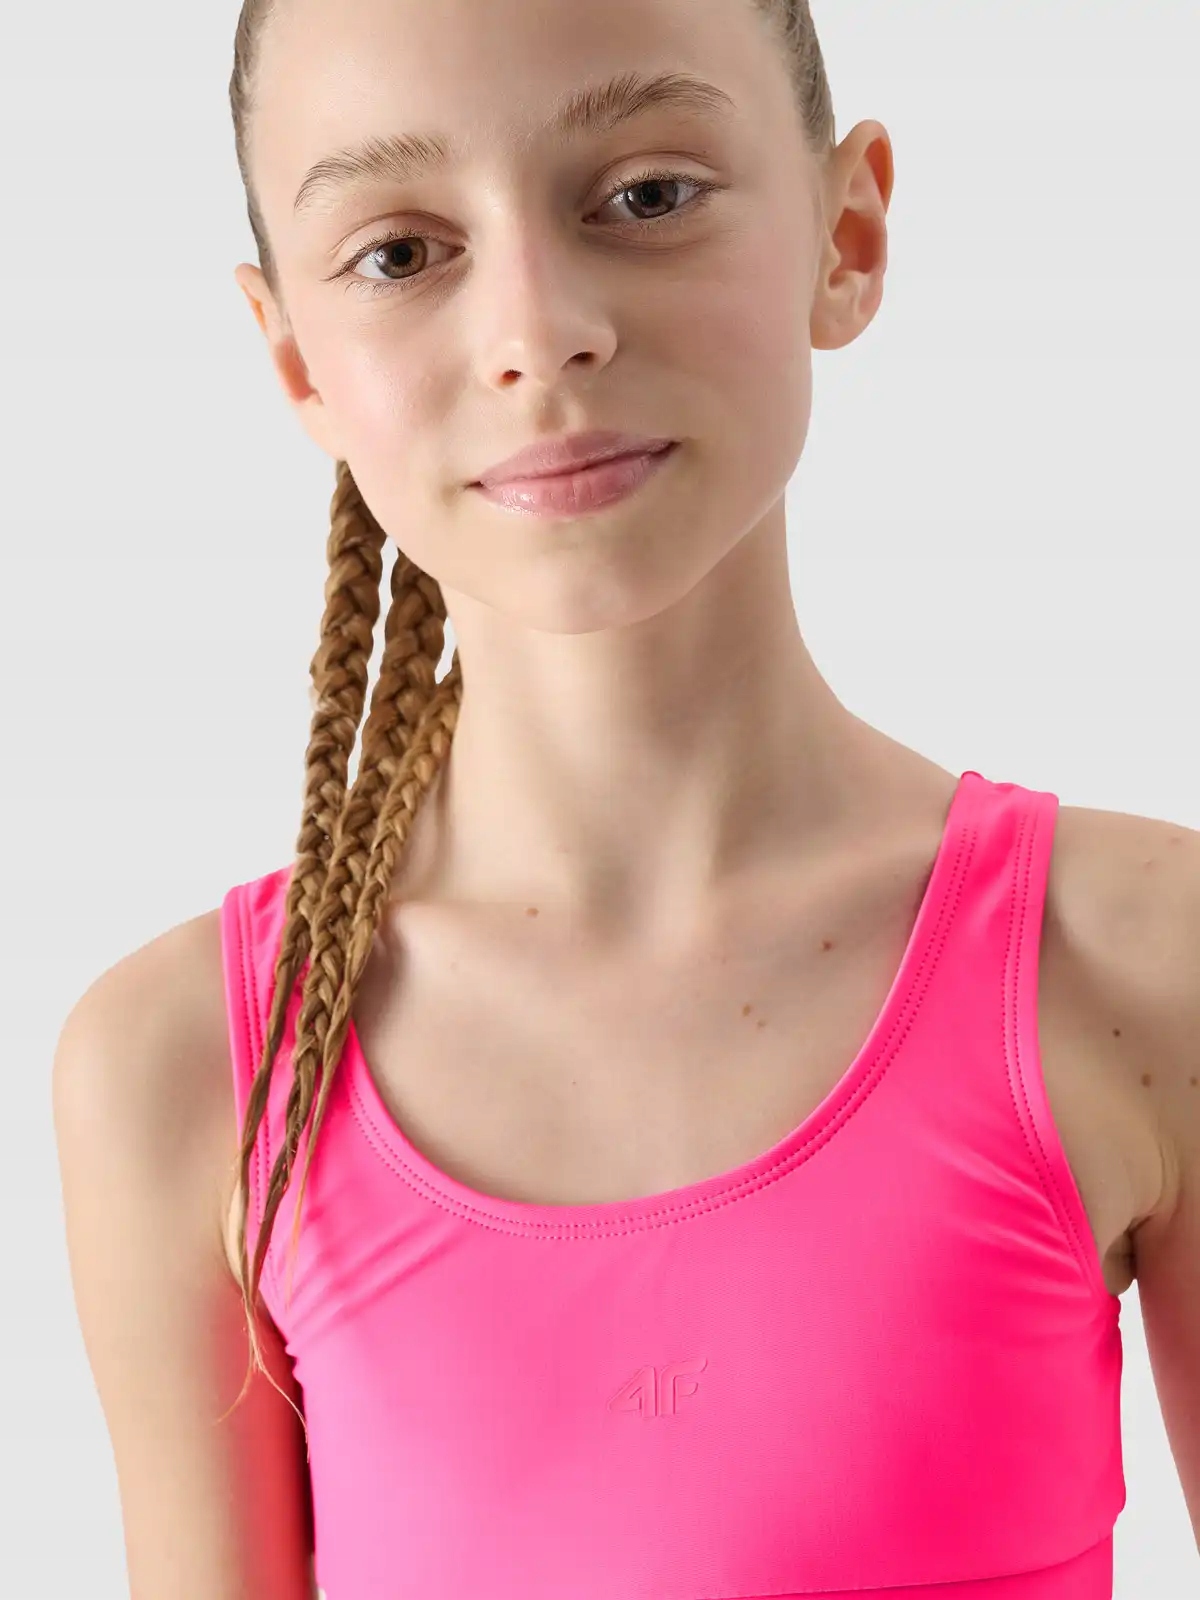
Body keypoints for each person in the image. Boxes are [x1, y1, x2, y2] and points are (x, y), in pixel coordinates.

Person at [51, 0, 1200, 1595]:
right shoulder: (189, 1075)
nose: (540, 330)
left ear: (846, 235)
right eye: (401, 251)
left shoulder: (1143, 963)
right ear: (299, 359)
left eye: (647, 195)